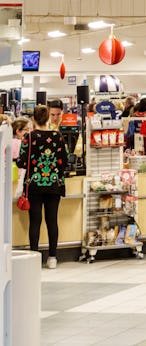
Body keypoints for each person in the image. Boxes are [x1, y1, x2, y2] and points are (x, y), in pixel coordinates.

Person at [14, 105, 69, 269]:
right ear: (47, 119)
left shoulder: (29, 138)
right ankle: (53, 257)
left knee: (35, 221)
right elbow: (65, 160)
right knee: (52, 220)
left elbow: (22, 161)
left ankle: (34, 256)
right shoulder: (57, 136)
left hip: (34, 184)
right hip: (54, 184)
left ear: (33, 119)